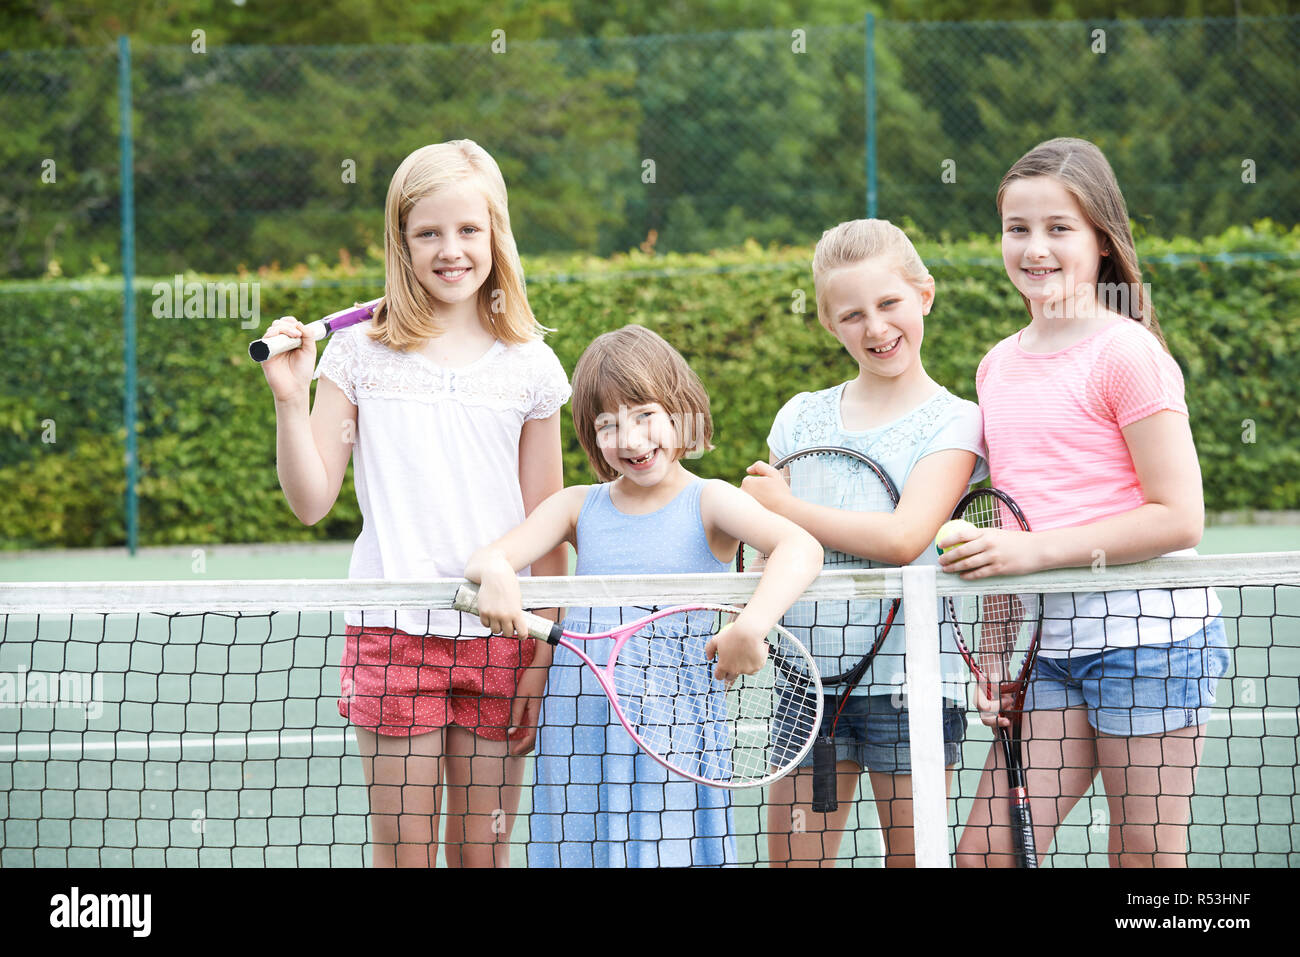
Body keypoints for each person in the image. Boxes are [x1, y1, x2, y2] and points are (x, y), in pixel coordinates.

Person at [256, 140, 570, 867]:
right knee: (404, 857)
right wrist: (288, 399)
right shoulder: (357, 354)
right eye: (427, 232)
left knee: (481, 857)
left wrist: (538, 655)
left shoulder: (531, 365)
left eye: (468, 230)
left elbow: (548, 527)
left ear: (496, 233)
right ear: (400, 241)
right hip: (392, 637)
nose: (450, 249)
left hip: (502, 637)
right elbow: (310, 502)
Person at [946, 137, 1227, 868]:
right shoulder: (996, 366)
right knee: (984, 853)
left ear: (1102, 241)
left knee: (1141, 855)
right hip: (1047, 655)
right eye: (1018, 229)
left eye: (1058, 228)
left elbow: (1178, 516)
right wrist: (999, 661)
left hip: (1151, 643)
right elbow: (1008, 520)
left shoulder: (1127, 353)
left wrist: (1033, 552)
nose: (1035, 247)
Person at [465, 324, 824, 867]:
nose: (629, 440)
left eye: (644, 415)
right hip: (580, 721)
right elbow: (489, 558)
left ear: (681, 411)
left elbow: (800, 546)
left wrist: (751, 626)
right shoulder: (574, 506)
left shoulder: (712, 502)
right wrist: (495, 571)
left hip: (676, 721)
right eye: (607, 425)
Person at [741, 218, 986, 867]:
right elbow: (773, 542)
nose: (875, 328)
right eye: (852, 314)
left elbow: (907, 537)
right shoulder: (798, 416)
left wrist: (788, 507)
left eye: (889, 304)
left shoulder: (958, 420)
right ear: (828, 322)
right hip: (805, 683)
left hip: (914, 685)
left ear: (924, 295)